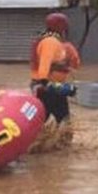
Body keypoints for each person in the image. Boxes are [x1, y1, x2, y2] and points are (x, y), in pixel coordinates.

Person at [29, 12, 80, 152]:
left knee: (43, 119)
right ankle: (63, 150)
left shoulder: (51, 41)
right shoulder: (51, 42)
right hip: (49, 87)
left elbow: (74, 64)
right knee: (64, 120)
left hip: (48, 87)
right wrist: (45, 82)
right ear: (61, 27)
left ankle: (37, 146)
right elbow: (45, 62)